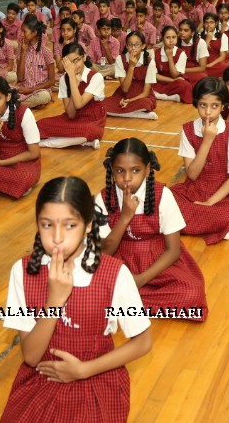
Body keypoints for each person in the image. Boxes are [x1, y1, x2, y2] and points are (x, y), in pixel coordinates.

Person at [0, 176, 152, 422]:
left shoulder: (114, 274)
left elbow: (143, 341)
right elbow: (31, 356)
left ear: (89, 225)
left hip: (96, 378)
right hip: (43, 378)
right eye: (47, 225)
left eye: (69, 225)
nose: (57, 237)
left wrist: (83, 370)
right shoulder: (23, 271)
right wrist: (55, 301)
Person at [97, 138, 207, 321]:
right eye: (119, 171)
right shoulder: (102, 199)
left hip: (158, 259)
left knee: (191, 293)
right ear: (112, 171)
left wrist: (141, 279)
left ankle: (125, 305)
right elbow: (105, 251)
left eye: (135, 170)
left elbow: (173, 251)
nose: (127, 178)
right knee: (91, 284)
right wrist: (124, 218)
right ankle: (126, 304)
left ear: (147, 170)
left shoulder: (163, 195)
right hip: (119, 260)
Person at [169, 78, 229, 244]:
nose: (208, 112)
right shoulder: (188, 130)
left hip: (222, 192)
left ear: (223, 106)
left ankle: (211, 224)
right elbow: (192, 175)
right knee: (165, 202)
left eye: (214, 106)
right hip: (194, 188)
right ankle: (214, 226)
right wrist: (207, 141)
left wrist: (210, 203)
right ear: (196, 104)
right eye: (203, 105)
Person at [38, 43, 106, 149]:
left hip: (92, 121)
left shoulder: (96, 77)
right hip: (73, 120)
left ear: (83, 57)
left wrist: (73, 82)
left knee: (90, 130)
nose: (73, 66)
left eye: (76, 60)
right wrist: (74, 82)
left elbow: (79, 104)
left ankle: (43, 143)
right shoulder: (64, 79)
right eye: (69, 63)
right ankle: (86, 142)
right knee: (40, 124)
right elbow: (71, 114)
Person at [103, 31, 158, 120]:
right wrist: (131, 67)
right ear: (126, 46)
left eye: (137, 45)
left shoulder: (149, 61)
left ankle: (127, 112)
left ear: (143, 46)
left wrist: (130, 101)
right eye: (130, 45)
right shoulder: (120, 59)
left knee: (146, 104)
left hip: (141, 96)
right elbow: (124, 89)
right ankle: (138, 114)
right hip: (124, 95)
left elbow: (146, 93)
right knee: (102, 105)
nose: (133, 48)